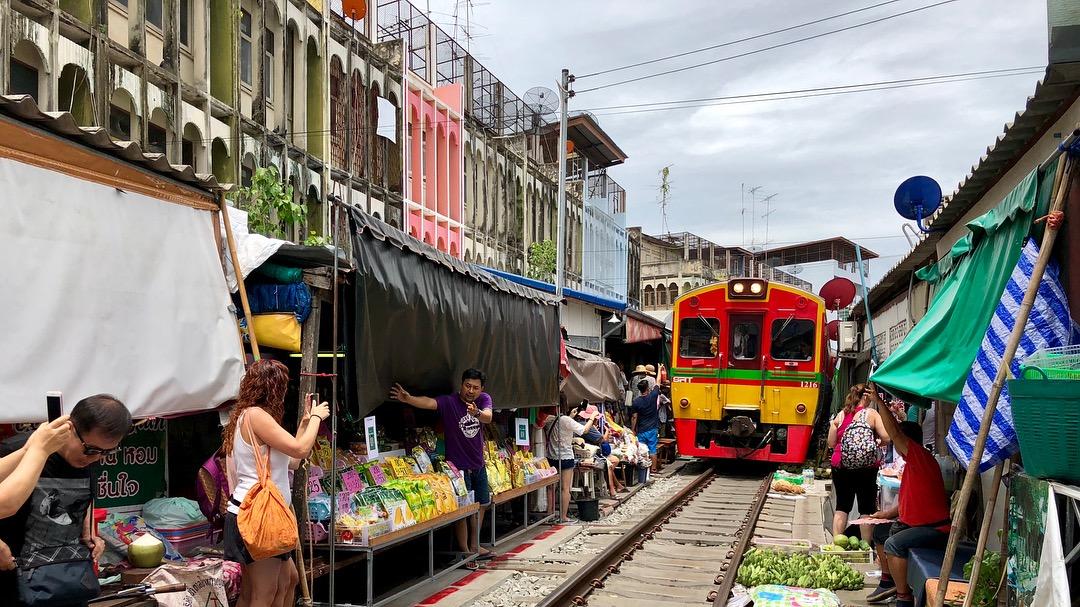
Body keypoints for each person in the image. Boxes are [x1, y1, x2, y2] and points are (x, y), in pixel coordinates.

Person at [0, 395, 132, 604]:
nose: (95, 458)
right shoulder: (19, 451)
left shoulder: (90, 458)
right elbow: (5, 503)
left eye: (106, 452)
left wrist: (88, 533)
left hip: (68, 583)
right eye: (90, 450)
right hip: (14, 584)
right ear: (69, 428)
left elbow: (79, 500)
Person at [223, 359, 329, 607]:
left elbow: (291, 461)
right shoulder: (255, 415)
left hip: (262, 517)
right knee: (264, 593)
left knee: (287, 580)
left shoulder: (251, 416)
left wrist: (304, 422)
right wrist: (316, 418)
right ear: (273, 388)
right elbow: (301, 450)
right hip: (258, 518)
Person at [391, 369, 493, 563]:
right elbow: (430, 403)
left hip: (478, 464)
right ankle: (465, 551)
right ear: (461, 384)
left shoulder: (483, 400)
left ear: (482, 389)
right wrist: (409, 399)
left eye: (475, 388)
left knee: (481, 505)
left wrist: (477, 413)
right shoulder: (450, 402)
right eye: (467, 386)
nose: (471, 391)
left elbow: (488, 416)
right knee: (462, 510)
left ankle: (474, 544)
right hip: (457, 468)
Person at [864, 386, 952, 607]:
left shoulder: (920, 456)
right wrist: (884, 514)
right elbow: (906, 502)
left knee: (894, 544)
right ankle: (887, 582)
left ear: (908, 442)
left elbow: (894, 432)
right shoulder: (914, 463)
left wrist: (878, 401)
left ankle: (903, 598)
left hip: (935, 529)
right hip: (914, 523)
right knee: (882, 530)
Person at [827, 383, 890, 543]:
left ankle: (837, 545)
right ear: (866, 396)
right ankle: (866, 547)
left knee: (842, 506)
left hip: (841, 465)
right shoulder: (872, 414)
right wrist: (876, 444)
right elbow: (887, 437)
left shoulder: (841, 415)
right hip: (866, 468)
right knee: (866, 508)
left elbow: (831, 443)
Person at [542, 399, 598, 522]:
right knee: (565, 488)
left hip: (551, 457)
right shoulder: (566, 420)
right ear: (564, 405)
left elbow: (561, 425)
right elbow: (584, 430)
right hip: (566, 457)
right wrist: (592, 418)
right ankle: (563, 516)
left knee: (551, 488)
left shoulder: (549, 419)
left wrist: (571, 416)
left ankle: (549, 514)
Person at [579, 406, 624, 496]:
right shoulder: (589, 427)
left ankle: (617, 486)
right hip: (590, 454)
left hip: (584, 452)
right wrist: (607, 431)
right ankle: (612, 489)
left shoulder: (580, 424)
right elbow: (603, 439)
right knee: (610, 463)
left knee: (612, 461)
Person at [631, 380, 663, 474]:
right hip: (652, 429)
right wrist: (660, 369)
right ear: (648, 388)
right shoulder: (653, 396)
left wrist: (633, 429)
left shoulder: (636, 402)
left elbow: (634, 417)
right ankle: (653, 469)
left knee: (642, 450)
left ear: (639, 390)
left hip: (641, 430)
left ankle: (643, 469)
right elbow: (658, 382)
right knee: (652, 449)